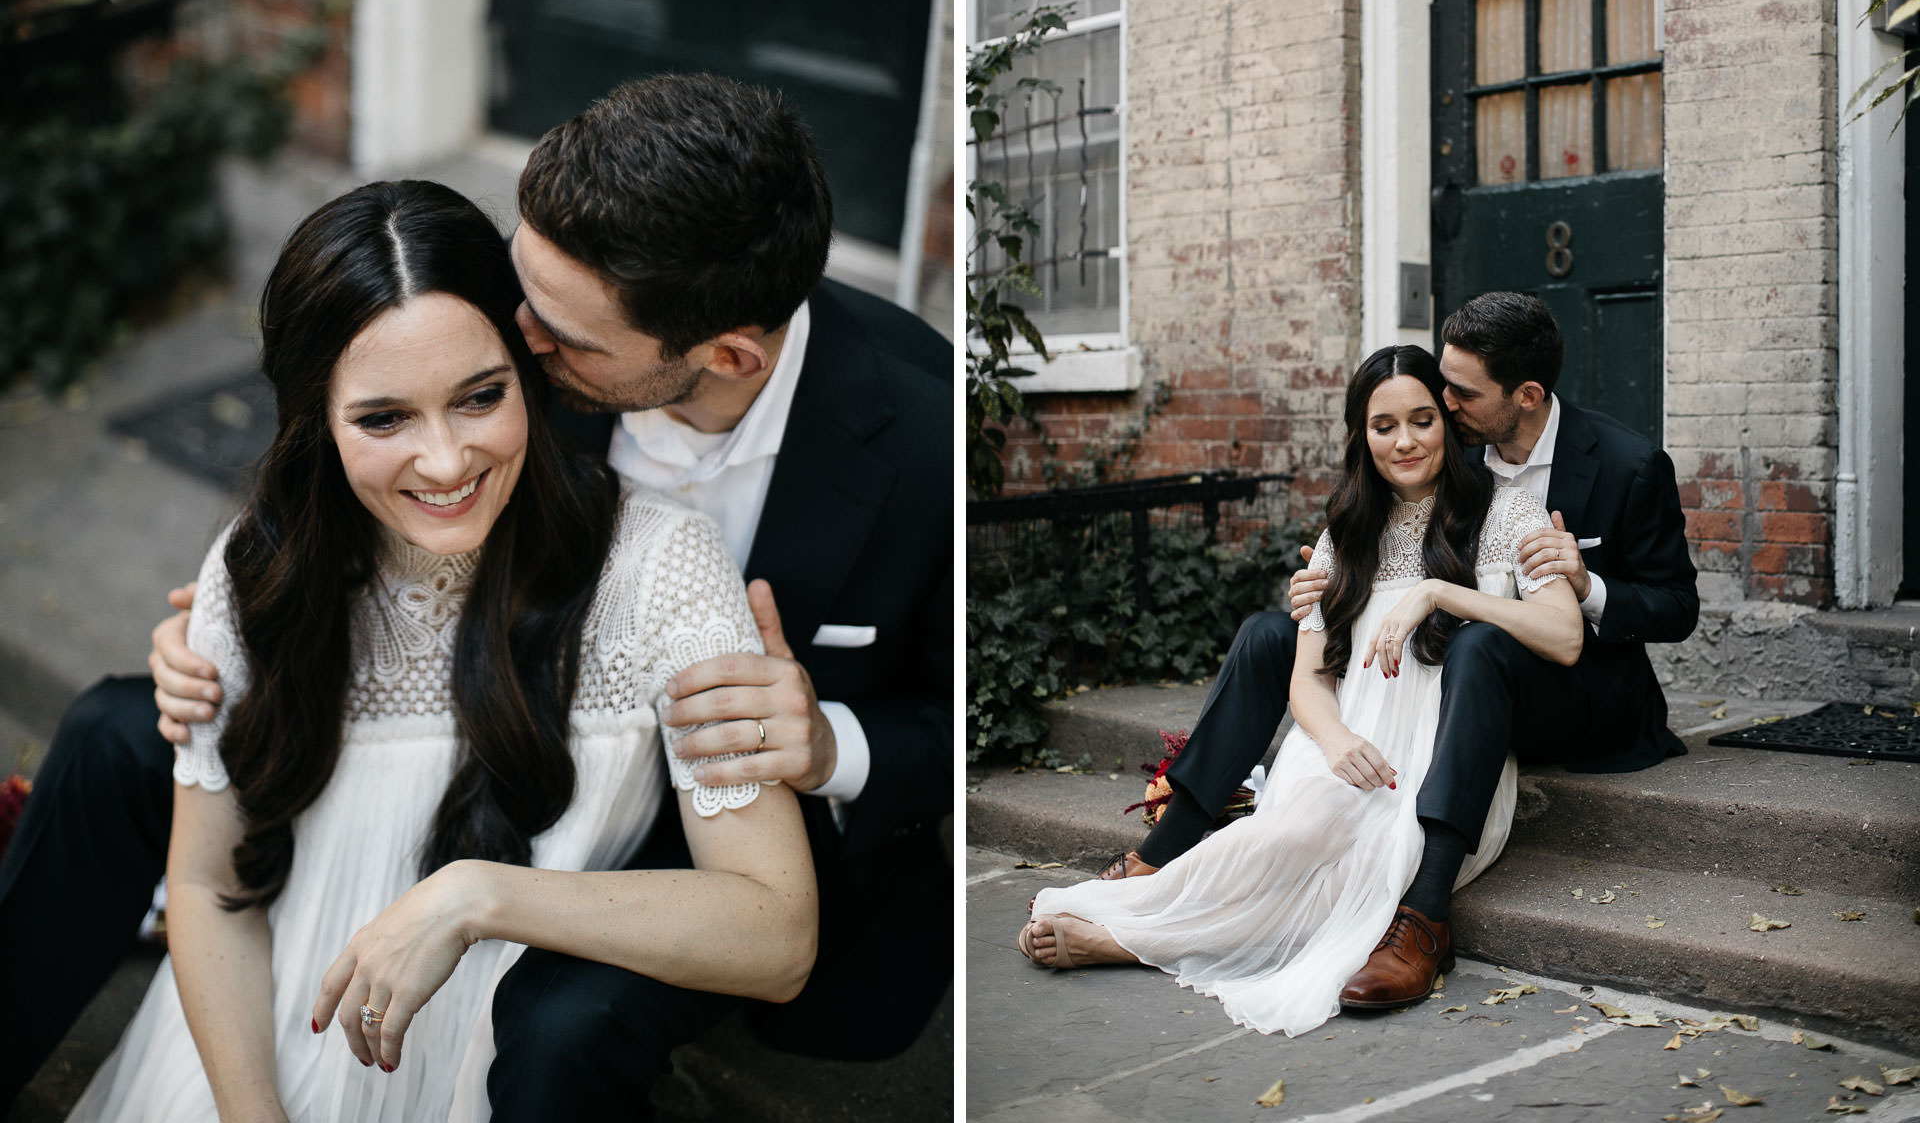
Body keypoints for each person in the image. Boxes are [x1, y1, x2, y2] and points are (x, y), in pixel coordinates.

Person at [0, 75, 952, 1116]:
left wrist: (832, 745)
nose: (522, 336)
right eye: (519, 300)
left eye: (545, 342)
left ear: (725, 356)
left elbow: (970, 729)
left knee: (559, 1028)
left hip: (703, 804)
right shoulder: (515, 328)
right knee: (109, 730)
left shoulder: (924, 442)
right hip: (470, 700)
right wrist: (251, 618)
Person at [1095, 291, 1694, 1012]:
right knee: (1266, 637)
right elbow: (1395, 524)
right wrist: (1330, 593)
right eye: (1436, 391)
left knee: (1479, 645)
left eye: (1456, 394)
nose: (1440, 403)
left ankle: (1424, 913)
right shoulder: (1448, 441)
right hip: (1430, 673)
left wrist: (1585, 582)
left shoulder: (1628, 464)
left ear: (1526, 396)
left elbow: (1675, 608)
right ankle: (1167, 846)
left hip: (1573, 688)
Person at [1015, 343, 1582, 1036]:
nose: (1404, 440)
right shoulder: (1346, 533)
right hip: (1349, 743)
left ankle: (1126, 940)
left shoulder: (1506, 513)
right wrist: (1336, 741)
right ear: (1360, 434)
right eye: (1383, 425)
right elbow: (1307, 676)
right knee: (1281, 840)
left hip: (1443, 765)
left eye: (1422, 420)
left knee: (1370, 865)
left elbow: (1565, 636)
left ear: (1449, 422)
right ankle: (1147, 895)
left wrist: (1444, 592)